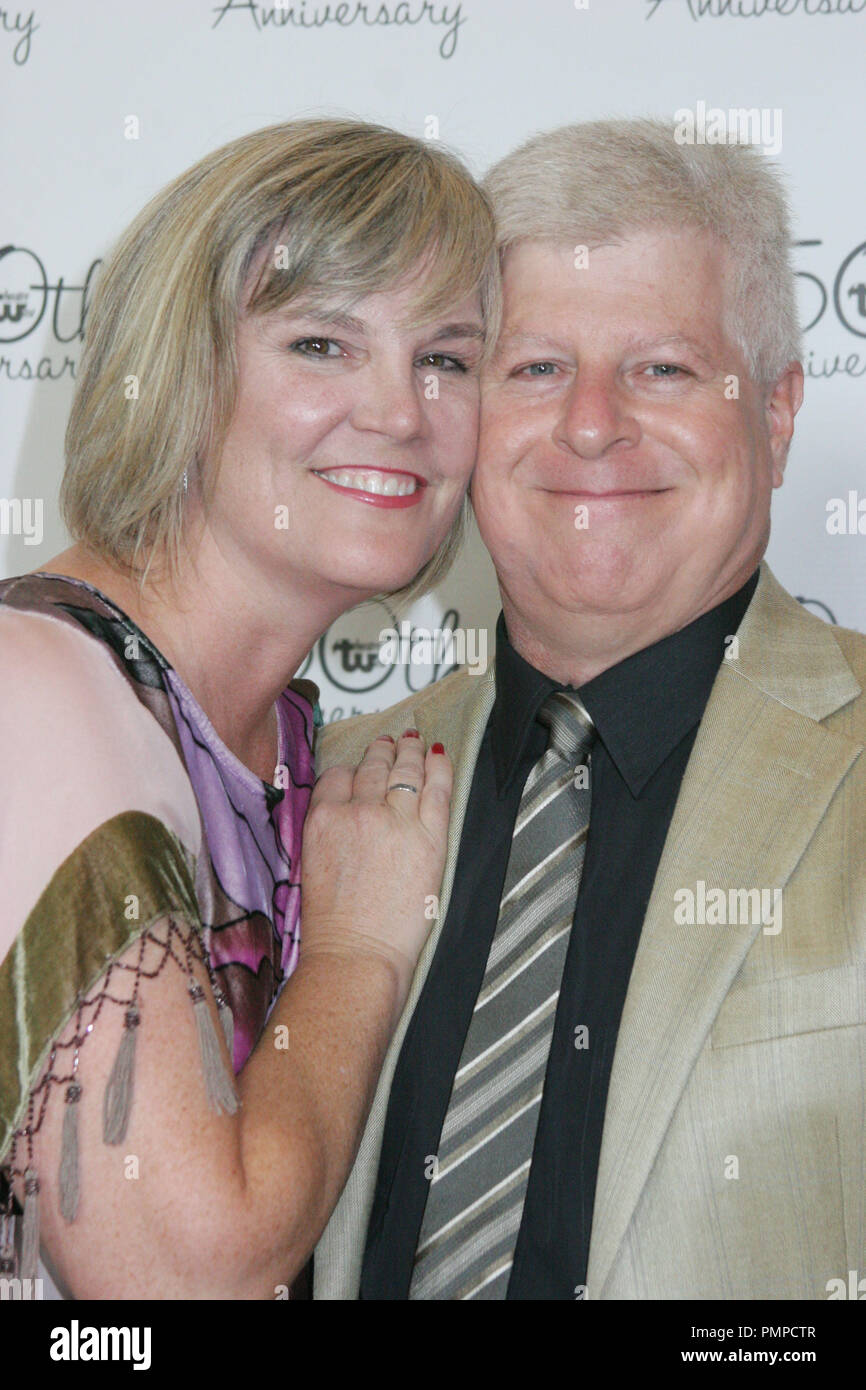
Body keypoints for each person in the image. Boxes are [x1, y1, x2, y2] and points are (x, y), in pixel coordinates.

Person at [313, 118, 866, 1300]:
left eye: (661, 368)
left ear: (772, 413)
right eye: (534, 367)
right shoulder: (328, 777)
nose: (589, 424)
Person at [0, 116, 500, 1299]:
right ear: (177, 368)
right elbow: (179, 1279)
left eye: (448, 357)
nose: (398, 411)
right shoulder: (38, 689)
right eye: (322, 342)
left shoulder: (284, 744)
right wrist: (357, 949)